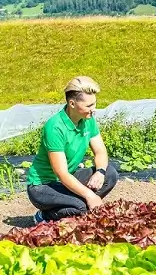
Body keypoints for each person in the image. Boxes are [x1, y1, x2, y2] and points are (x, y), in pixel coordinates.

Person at [26, 76, 119, 222]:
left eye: (94, 104)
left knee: (110, 173)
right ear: (72, 103)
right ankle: (44, 215)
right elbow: (61, 173)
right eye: (88, 106)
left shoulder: (88, 120)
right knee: (81, 207)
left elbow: (100, 151)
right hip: (43, 186)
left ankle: (74, 205)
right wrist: (89, 195)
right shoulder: (55, 127)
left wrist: (100, 173)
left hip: (68, 178)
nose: (93, 109)